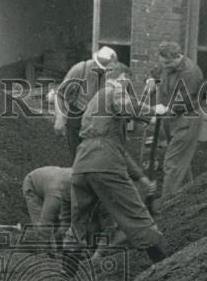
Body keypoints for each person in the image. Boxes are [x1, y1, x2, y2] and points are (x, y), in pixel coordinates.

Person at [63, 65, 167, 270]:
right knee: (134, 211)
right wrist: (154, 111)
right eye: (128, 83)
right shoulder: (115, 89)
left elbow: (112, 145)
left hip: (82, 164)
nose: (128, 89)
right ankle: (163, 263)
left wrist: (140, 177)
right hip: (106, 164)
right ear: (122, 78)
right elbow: (126, 108)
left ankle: (66, 272)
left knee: (78, 221)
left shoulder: (94, 102)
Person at [146, 41, 204, 199]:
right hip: (171, 119)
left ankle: (167, 206)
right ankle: (189, 197)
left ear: (178, 57)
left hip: (186, 119)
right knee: (181, 160)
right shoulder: (167, 65)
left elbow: (182, 101)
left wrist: (162, 112)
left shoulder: (190, 73)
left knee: (172, 163)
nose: (164, 66)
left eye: (168, 63)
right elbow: (156, 71)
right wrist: (151, 80)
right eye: (163, 62)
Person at [54, 47, 118, 160]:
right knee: (78, 158)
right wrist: (59, 117)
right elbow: (60, 94)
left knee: (97, 158)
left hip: (99, 119)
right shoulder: (81, 69)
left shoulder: (114, 75)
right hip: (78, 114)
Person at [22, 165, 72, 254]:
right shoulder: (55, 194)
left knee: (61, 222)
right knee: (41, 221)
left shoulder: (81, 180)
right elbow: (45, 222)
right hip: (33, 186)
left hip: (51, 181)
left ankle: (60, 248)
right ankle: (44, 251)